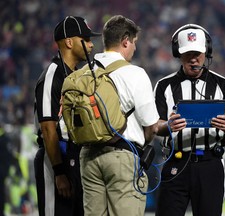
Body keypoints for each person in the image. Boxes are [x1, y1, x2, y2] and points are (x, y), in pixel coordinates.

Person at [154, 24, 225, 216]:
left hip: (210, 163)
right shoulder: (164, 86)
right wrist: (168, 126)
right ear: (178, 53)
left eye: (198, 53)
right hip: (176, 161)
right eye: (188, 54)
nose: (193, 59)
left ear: (207, 53)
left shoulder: (223, 84)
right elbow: (155, 125)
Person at [79, 15, 159, 216]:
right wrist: (145, 139)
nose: (134, 48)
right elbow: (151, 125)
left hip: (88, 157)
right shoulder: (135, 74)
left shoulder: (83, 73)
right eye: (134, 43)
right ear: (125, 40)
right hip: (122, 157)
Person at [34, 16, 101, 216]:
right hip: (57, 160)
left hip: (75, 159)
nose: (91, 45)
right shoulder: (52, 74)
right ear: (69, 42)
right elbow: (47, 127)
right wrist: (59, 172)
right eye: (86, 39)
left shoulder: (77, 76)